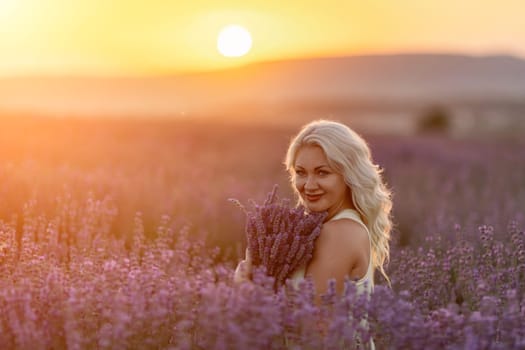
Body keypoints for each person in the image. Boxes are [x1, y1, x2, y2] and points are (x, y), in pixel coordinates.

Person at [234, 119, 393, 348]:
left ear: (348, 175)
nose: (308, 185)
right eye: (301, 172)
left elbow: (312, 335)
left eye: (322, 173)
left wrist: (246, 292)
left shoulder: (340, 233)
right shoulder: (331, 227)